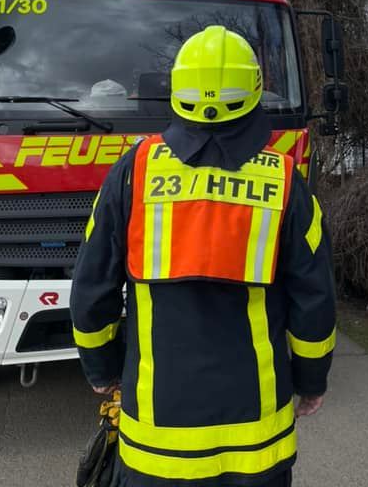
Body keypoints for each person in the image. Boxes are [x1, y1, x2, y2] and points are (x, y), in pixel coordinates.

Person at [70, 25, 336, 487]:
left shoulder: (133, 173)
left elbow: (92, 289)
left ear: (178, 91)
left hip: (156, 442)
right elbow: (315, 303)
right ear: (254, 91)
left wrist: (102, 370)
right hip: (258, 444)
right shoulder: (285, 182)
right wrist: (311, 380)